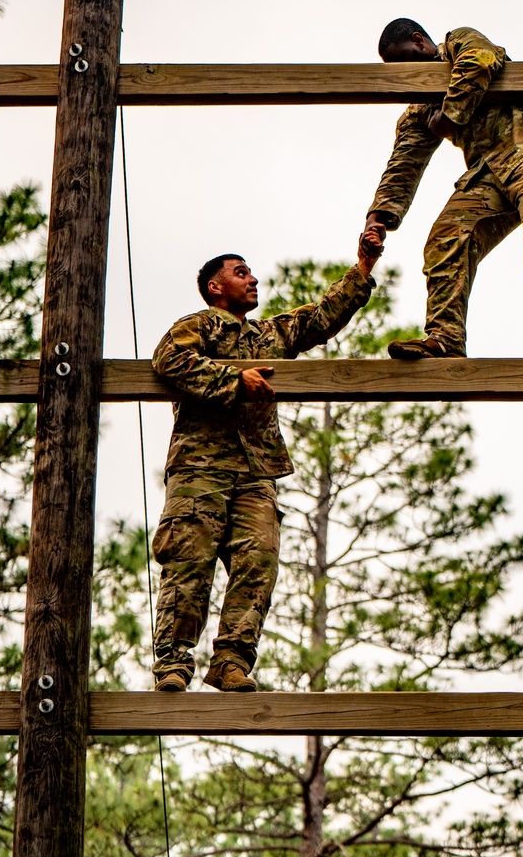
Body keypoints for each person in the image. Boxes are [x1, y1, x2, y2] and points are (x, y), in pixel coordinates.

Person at [149, 235, 383, 693]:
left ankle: (231, 662)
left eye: (251, 272)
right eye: (241, 273)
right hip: (200, 468)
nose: (253, 278)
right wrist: (235, 380)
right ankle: (174, 665)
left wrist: (362, 268)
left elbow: (317, 319)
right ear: (215, 287)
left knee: (259, 561)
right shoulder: (199, 325)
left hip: (257, 471)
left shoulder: (265, 336)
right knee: (189, 563)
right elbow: (169, 359)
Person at [361, 19, 523, 361]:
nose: (407, 73)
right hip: (490, 173)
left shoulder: (458, 43)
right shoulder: (422, 108)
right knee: (447, 237)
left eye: (408, 60)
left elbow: (479, 60)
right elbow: (403, 164)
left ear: (420, 41)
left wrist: (451, 114)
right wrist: (376, 219)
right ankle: (444, 339)